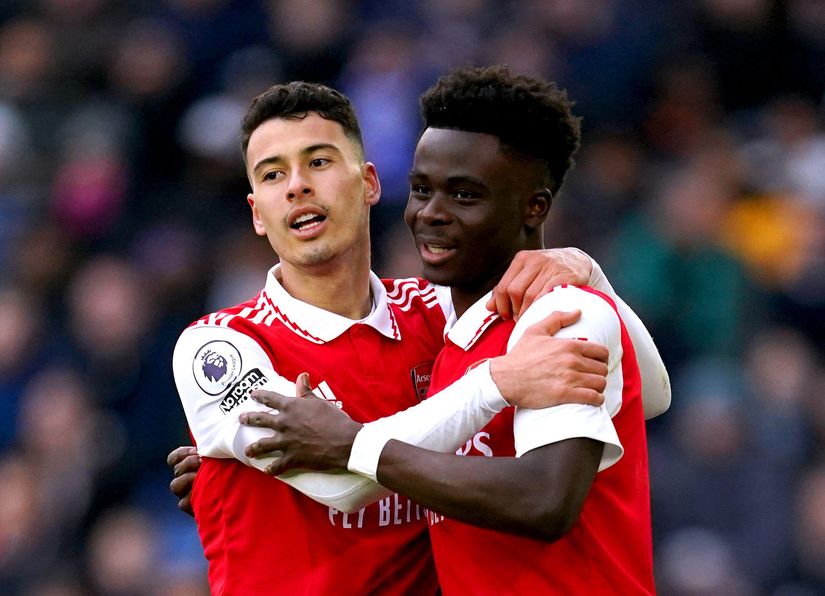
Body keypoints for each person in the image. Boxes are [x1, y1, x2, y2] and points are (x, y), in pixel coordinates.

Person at [171, 80, 655, 595]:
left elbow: (643, 387)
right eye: (272, 175)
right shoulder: (219, 347)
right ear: (256, 213)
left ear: (370, 184)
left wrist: (586, 274)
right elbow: (340, 480)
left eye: (318, 162)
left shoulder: (441, 313)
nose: (296, 186)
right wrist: (495, 383)